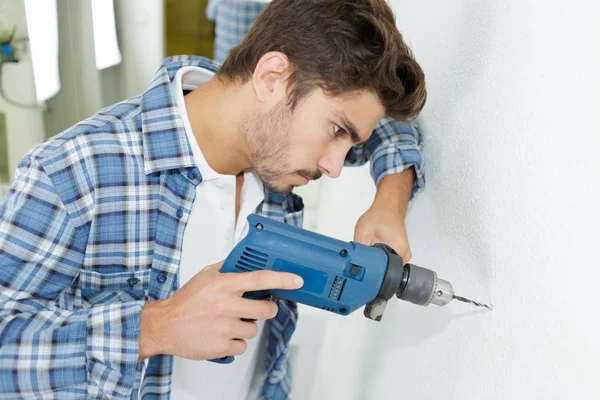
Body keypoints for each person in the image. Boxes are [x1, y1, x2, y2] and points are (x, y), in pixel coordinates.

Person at [0, 0, 427, 398]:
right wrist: (155, 327)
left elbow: (389, 128)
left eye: (351, 145)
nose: (335, 167)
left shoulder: (272, 158)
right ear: (272, 77)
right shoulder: (72, 171)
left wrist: (391, 197)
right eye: (336, 131)